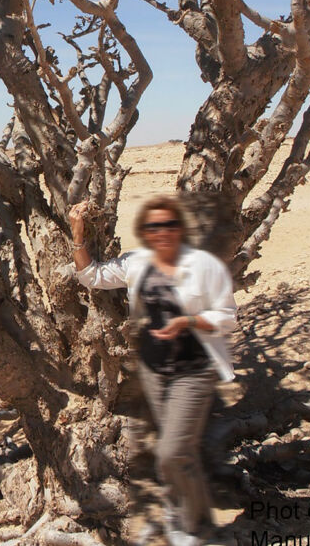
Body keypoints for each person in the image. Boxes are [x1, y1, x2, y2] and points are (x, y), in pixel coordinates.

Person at [69, 196, 237, 546]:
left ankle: (192, 528)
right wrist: (78, 233)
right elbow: (91, 275)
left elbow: (228, 317)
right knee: (177, 452)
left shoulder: (204, 265)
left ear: (181, 228)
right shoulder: (138, 262)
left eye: (170, 225)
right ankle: (186, 516)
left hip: (194, 369)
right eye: (153, 226)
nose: (162, 232)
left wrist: (187, 321)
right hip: (154, 371)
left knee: (172, 452)